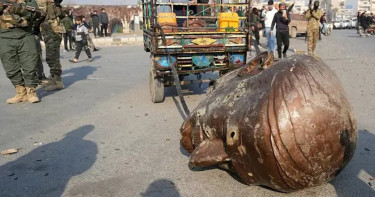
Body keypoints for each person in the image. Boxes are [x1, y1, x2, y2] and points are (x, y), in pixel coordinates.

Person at [0, 1, 40, 103]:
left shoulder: (28, 1)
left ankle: (31, 91)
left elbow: (35, 15)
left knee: (30, 63)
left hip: (25, 35)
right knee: (10, 66)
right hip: (5, 37)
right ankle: (20, 92)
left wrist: (20, 9)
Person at [38, 0, 66, 91]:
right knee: (50, 57)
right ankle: (53, 78)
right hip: (47, 30)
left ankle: (58, 81)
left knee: (53, 57)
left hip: (54, 30)